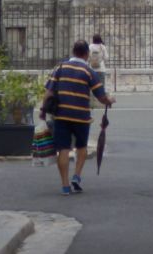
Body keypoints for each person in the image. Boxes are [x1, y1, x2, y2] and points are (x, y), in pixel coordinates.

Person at [41, 39, 112, 195]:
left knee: (64, 150)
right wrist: (110, 100)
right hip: (81, 117)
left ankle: (65, 186)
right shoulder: (88, 71)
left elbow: (49, 92)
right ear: (86, 54)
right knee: (81, 148)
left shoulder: (60, 67)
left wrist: (42, 110)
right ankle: (77, 176)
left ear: (73, 52)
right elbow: (101, 97)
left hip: (62, 116)